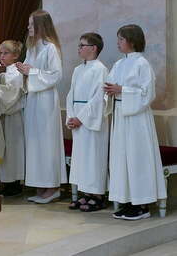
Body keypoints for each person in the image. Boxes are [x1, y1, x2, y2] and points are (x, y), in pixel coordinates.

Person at [104, 24, 167, 220]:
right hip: (121, 115)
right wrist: (109, 91)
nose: (118, 43)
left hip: (137, 118)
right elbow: (110, 86)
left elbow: (148, 94)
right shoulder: (118, 64)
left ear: (132, 41)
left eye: (121, 39)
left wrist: (123, 90)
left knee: (137, 158)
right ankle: (127, 201)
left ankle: (142, 205)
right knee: (122, 158)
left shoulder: (142, 64)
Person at [16, 10, 67, 204]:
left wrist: (32, 71)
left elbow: (55, 75)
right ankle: (40, 185)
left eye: (31, 24)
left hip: (45, 100)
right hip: (33, 100)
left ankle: (53, 187)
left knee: (46, 142)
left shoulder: (50, 48)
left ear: (40, 26)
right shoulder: (32, 48)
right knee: (35, 143)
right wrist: (23, 71)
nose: (28, 27)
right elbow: (30, 72)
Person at [66, 33, 109, 212]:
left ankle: (98, 196)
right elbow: (71, 95)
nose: (79, 48)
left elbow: (98, 98)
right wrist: (70, 116)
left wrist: (81, 118)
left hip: (91, 120)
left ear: (93, 48)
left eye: (82, 45)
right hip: (77, 118)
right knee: (82, 159)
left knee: (93, 158)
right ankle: (86, 194)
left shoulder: (100, 69)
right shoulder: (78, 69)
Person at [0, 40, 25, 196]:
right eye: (1, 52)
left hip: (12, 116)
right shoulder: (2, 72)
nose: (2, 56)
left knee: (12, 150)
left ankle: (13, 182)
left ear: (15, 56)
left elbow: (11, 94)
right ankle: (4, 181)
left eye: (6, 53)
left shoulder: (17, 72)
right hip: (3, 116)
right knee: (4, 150)